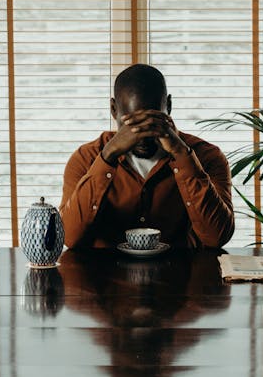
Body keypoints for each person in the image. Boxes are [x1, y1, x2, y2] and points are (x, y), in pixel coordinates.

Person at [60, 63, 234, 249]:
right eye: (132, 123)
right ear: (113, 109)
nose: (142, 136)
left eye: (153, 121)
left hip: (179, 275)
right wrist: (108, 155)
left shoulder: (207, 156)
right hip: (105, 275)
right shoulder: (87, 158)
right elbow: (69, 238)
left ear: (168, 105)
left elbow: (217, 237)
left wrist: (182, 155)